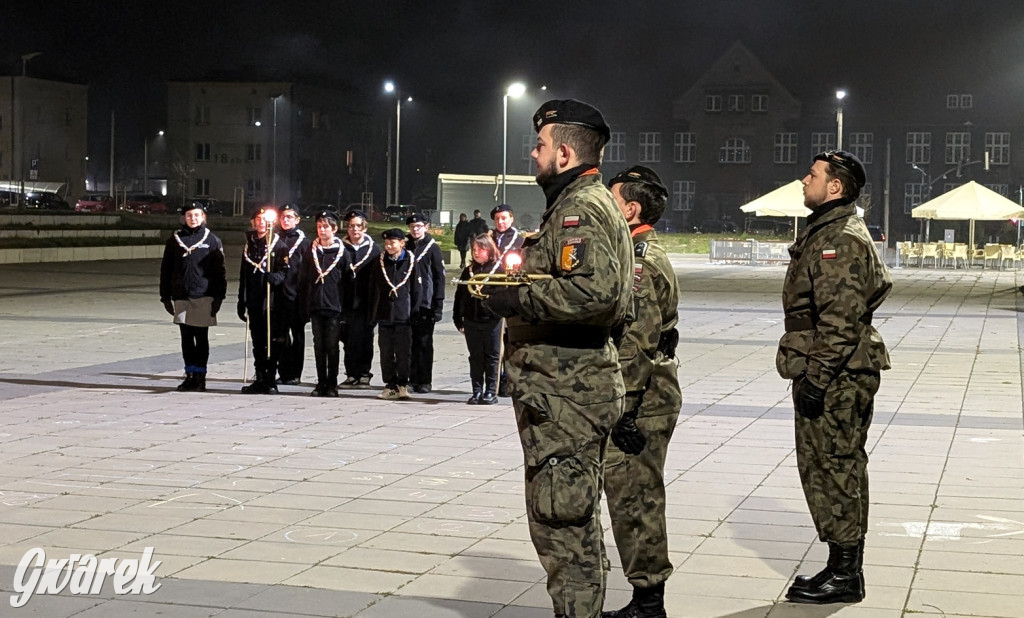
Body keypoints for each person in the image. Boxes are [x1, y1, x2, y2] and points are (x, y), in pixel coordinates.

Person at [482, 99, 633, 618]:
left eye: (541, 145)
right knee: (570, 520)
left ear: (564, 152)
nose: (533, 153)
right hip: (563, 392)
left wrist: (515, 299)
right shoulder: (577, 202)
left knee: (562, 525)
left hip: (567, 394)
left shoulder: (580, 208)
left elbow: (597, 295)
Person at [779, 150, 891, 605]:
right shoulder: (828, 231)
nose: (805, 179)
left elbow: (840, 319)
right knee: (832, 465)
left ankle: (846, 573)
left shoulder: (839, 239)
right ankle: (842, 564)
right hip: (834, 367)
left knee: (835, 466)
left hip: (837, 373)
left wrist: (818, 379)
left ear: (836, 187)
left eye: (813, 175)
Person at [602, 166, 681, 618]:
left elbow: (637, 342)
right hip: (645, 391)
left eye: (611, 200)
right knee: (632, 493)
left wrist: (625, 411)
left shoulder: (640, 261)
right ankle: (645, 596)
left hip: (642, 397)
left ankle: (649, 601)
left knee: (636, 495)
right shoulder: (634, 251)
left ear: (630, 209)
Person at [159, 201, 227, 392]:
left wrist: (218, 297)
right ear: (184, 217)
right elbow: (166, 269)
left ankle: (200, 376)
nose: (193, 218)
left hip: (203, 296)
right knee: (186, 338)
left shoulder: (212, 240)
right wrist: (165, 295)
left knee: (201, 337)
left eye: (197, 215)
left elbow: (219, 273)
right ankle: (189, 374)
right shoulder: (175, 240)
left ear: (203, 217)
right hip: (181, 296)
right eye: (189, 215)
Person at [300, 211, 347, 397]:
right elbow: (303, 280)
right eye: (319, 226)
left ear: (334, 229)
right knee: (318, 345)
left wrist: (345, 307)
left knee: (332, 345)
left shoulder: (342, 252)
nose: (322, 230)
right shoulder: (310, 250)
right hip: (316, 305)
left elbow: (347, 281)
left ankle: (332, 383)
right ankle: (321, 382)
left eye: (326, 227)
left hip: (334, 306)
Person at [370, 228, 420, 400]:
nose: (389, 246)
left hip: (403, 315)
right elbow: (373, 287)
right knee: (386, 351)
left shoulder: (411, 261)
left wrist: (414, 312)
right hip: (385, 313)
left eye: (393, 242)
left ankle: (403, 383)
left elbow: (416, 289)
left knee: (403, 351)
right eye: (387, 243)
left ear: (402, 243)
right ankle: (390, 384)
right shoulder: (380, 261)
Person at [453, 233, 503, 405]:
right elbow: (460, 296)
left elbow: (505, 295)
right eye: (474, 249)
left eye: (480, 249)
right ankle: (476, 390)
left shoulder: (499, 269)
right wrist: (458, 319)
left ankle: (490, 391)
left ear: (489, 250)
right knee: (475, 357)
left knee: (492, 356)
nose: (476, 252)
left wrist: (496, 313)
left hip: (491, 320)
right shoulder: (469, 271)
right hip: (471, 319)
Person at [236, 208, 279, 395]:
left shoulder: (278, 244)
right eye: (258, 219)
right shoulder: (250, 245)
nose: (261, 222)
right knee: (257, 342)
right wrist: (241, 299)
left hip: (269, 301)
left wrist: (276, 277)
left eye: (265, 220)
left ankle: (270, 379)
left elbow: (284, 271)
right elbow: (243, 275)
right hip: (253, 299)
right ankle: (259, 376)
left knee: (271, 342)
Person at [339, 209, 381, 389]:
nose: (355, 229)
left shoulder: (374, 250)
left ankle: (364, 373)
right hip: (345, 302)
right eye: (351, 226)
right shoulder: (340, 247)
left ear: (364, 228)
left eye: (358, 226)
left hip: (366, 302)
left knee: (365, 339)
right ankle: (351, 374)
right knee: (347, 339)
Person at [405, 213, 445, 394]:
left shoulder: (432, 248)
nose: (415, 229)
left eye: (419, 226)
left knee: (424, 343)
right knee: (409, 343)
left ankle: (425, 380)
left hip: (425, 303)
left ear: (426, 227)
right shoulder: (405, 246)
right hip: (407, 302)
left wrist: (438, 305)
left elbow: (439, 277)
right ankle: (412, 378)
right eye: (412, 226)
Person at [490, 203, 526, 397]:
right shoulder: (488, 239)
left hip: (510, 293)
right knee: (493, 343)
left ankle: (507, 380)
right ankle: (491, 383)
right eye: (497, 219)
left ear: (511, 219)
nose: (500, 222)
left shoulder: (519, 241)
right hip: (491, 292)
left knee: (510, 341)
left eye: (504, 218)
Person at [272, 204, 308, 385]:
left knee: (297, 336)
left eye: (289, 217)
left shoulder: (304, 242)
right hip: (277, 295)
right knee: (280, 336)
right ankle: (283, 371)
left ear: (297, 220)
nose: (285, 220)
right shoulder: (274, 238)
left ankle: (295, 373)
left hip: (296, 296)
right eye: (283, 217)